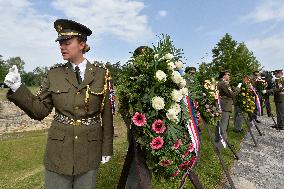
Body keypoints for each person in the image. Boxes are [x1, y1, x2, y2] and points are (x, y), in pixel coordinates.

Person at [4, 19, 114, 189]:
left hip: (90, 149)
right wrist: (18, 88)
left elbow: (107, 115)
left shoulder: (102, 75)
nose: (62, 46)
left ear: (82, 44)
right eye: (60, 42)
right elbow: (39, 111)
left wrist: (107, 147)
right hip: (58, 151)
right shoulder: (54, 75)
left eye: (67, 42)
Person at [117, 46, 152, 189]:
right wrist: (135, 126)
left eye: (148, 58)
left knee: (147, 163)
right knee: (134, 164)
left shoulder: (154, 78)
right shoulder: (131, 80)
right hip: (136, 131)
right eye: (142, 58)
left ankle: (145, 185)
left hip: (152, 132)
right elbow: (123, 107)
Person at [217, 71, 241, 140]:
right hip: (225, 105)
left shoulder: (223, 83)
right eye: (228, 75)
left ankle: (220, 138)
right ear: (224, 76)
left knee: (223, 122)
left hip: (224, 104)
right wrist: (238, 89)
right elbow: (231, 95)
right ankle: (223, 140)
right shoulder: (223, 83)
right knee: (224, 122)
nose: (229, 76)